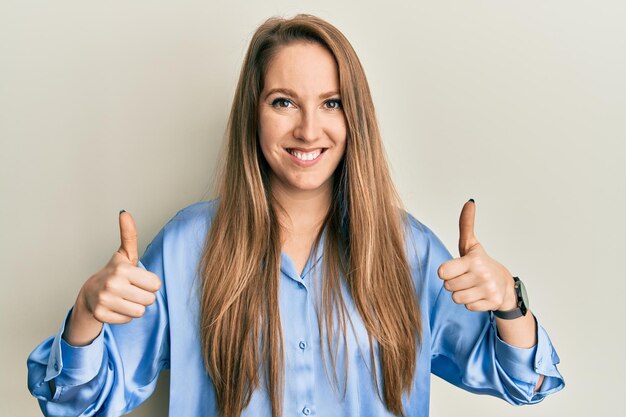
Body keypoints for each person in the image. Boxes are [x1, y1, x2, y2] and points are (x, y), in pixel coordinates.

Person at [26, 14, 564, 417]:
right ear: (252, 114)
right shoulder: (188, 245)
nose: (309, 130)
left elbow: (524, 383)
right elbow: (77, 402)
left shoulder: (409, 249)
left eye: (331, 103)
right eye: (283, 102)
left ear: (356, 118)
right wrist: (86, 316)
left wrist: (509, 305)